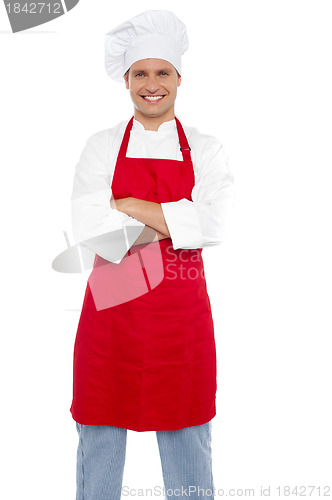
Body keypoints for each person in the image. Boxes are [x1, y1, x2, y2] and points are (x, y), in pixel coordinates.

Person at [70, 10, 235, 500]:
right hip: (113, 312)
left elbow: (215, 224)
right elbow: (93, 231)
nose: (152, 83)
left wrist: (129, 207)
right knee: (99, 430)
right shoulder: (101, 146)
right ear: (126, 81)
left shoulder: (204, 148)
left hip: (178, 317)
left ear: (179, 77)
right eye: (140, 73)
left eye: (162, 72)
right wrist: (178, 219)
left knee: (187, 431)